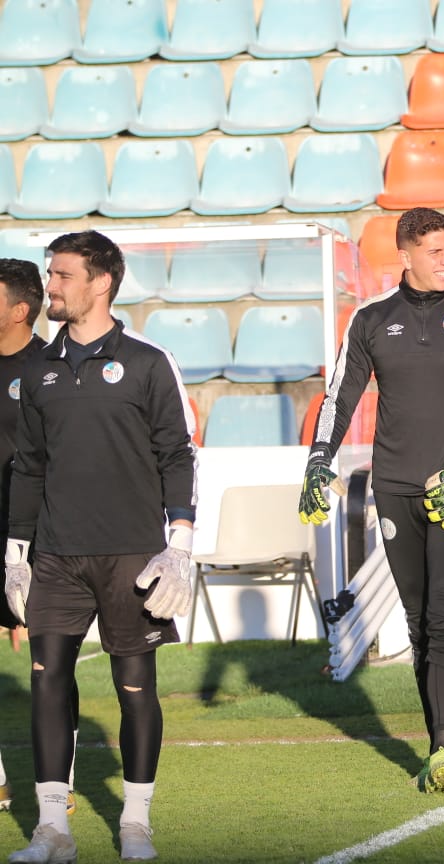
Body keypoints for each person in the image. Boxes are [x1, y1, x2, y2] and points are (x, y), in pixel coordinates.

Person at [299, 207, 444, 794]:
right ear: (405, 255)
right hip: (394, 486)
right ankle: (436, 740)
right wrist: (320, 458)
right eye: (435, 250)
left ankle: (443, 749)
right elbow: (340, 394)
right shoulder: (371, 319)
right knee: (419, 622)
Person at [5, 232, 198, 863]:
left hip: (132, 557)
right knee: (47, 681)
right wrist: (15, 551)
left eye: (61, 276)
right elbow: (29, 466)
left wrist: (180, 545)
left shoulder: (147, 362)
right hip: (57, 557)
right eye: (50, 274)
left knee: (134, 684)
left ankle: (135, 823)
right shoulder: (38, 370)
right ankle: (52, 830)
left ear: (101, 282)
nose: (51, 287)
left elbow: (178, 454)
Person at [0, 259, 48, 816]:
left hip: (35, 536)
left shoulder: (47, 369)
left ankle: (55, 787)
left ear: (19, 309)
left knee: (48, 664)